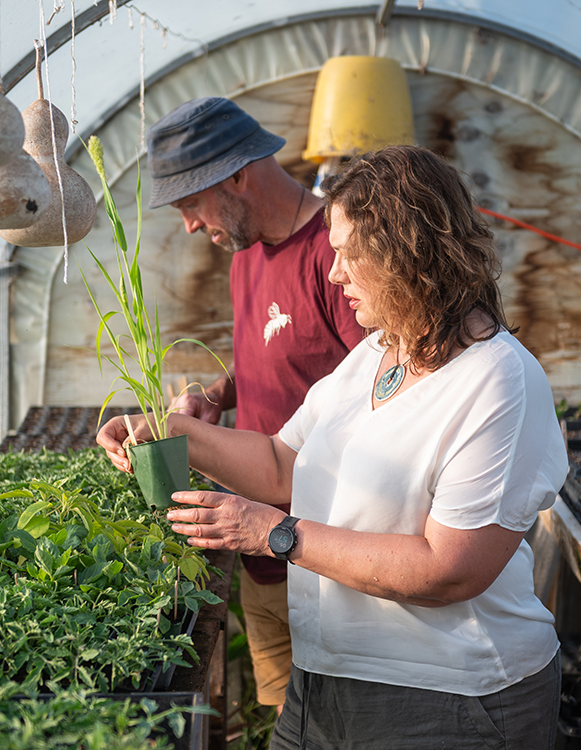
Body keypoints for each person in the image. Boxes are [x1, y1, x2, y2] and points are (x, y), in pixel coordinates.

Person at [99, 145, 569, 749]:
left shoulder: (500, 381)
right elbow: (280, 464)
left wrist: (276, 533)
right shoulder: (376, 354)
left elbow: (448, 569)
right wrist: (170, 430)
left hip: (450, 698)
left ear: (406, 253)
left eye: (348, 253)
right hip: (324, 678)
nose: (333, 272)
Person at [145, 97, 363, 710]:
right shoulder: (245, 256)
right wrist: (217, 395)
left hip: (330, 557)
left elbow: (381, 393)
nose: (188, 224)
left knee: (341, 723)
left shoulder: (338, 255)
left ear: (238, 175)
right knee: (280, 718)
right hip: (260, 551)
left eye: (191, 203)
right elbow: (276, 354)